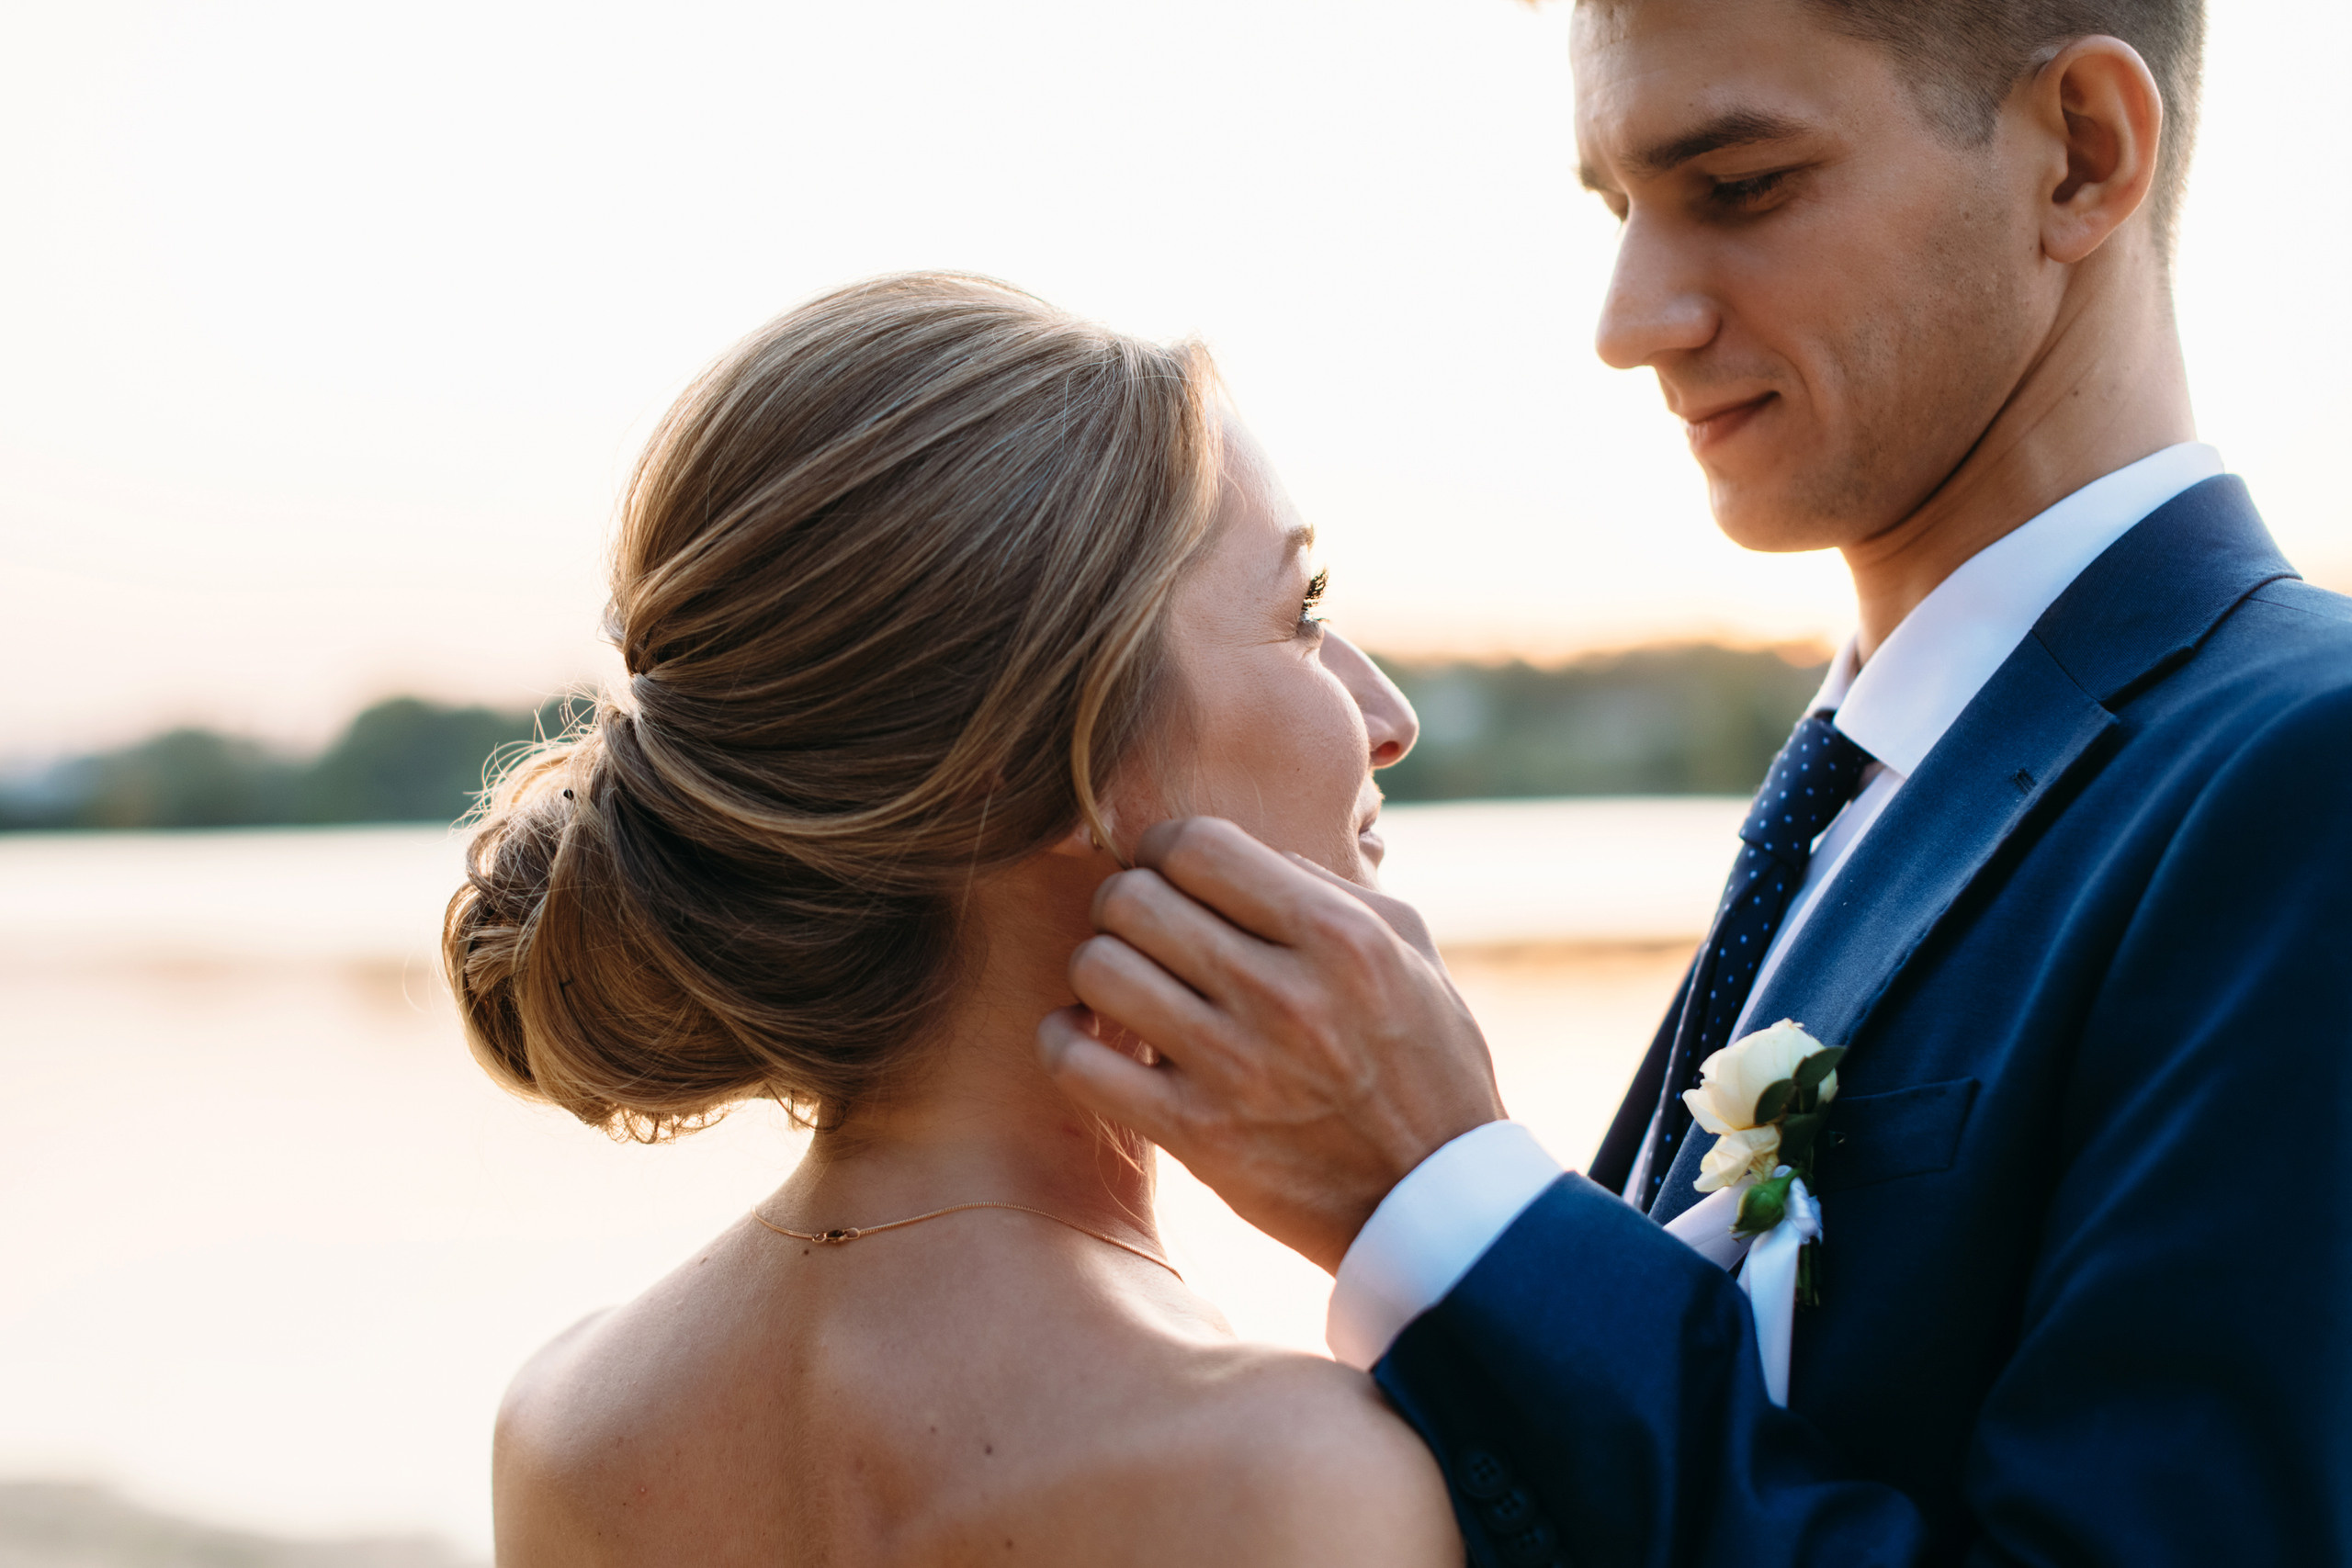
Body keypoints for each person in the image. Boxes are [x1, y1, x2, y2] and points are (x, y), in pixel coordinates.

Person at [1041, 1, 2352, 1563]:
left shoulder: (2305, 775)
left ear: (2081, 155)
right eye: (1619, 206)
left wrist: (1440, 1195)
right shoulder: (1857, 788)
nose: (1628, 319)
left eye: (1739, 187)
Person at [442, 274, 1464, 1565]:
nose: (1387, 718)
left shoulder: (565, 1426)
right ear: (1070, 756)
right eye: (1302, 614)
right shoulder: (1291, 1476)